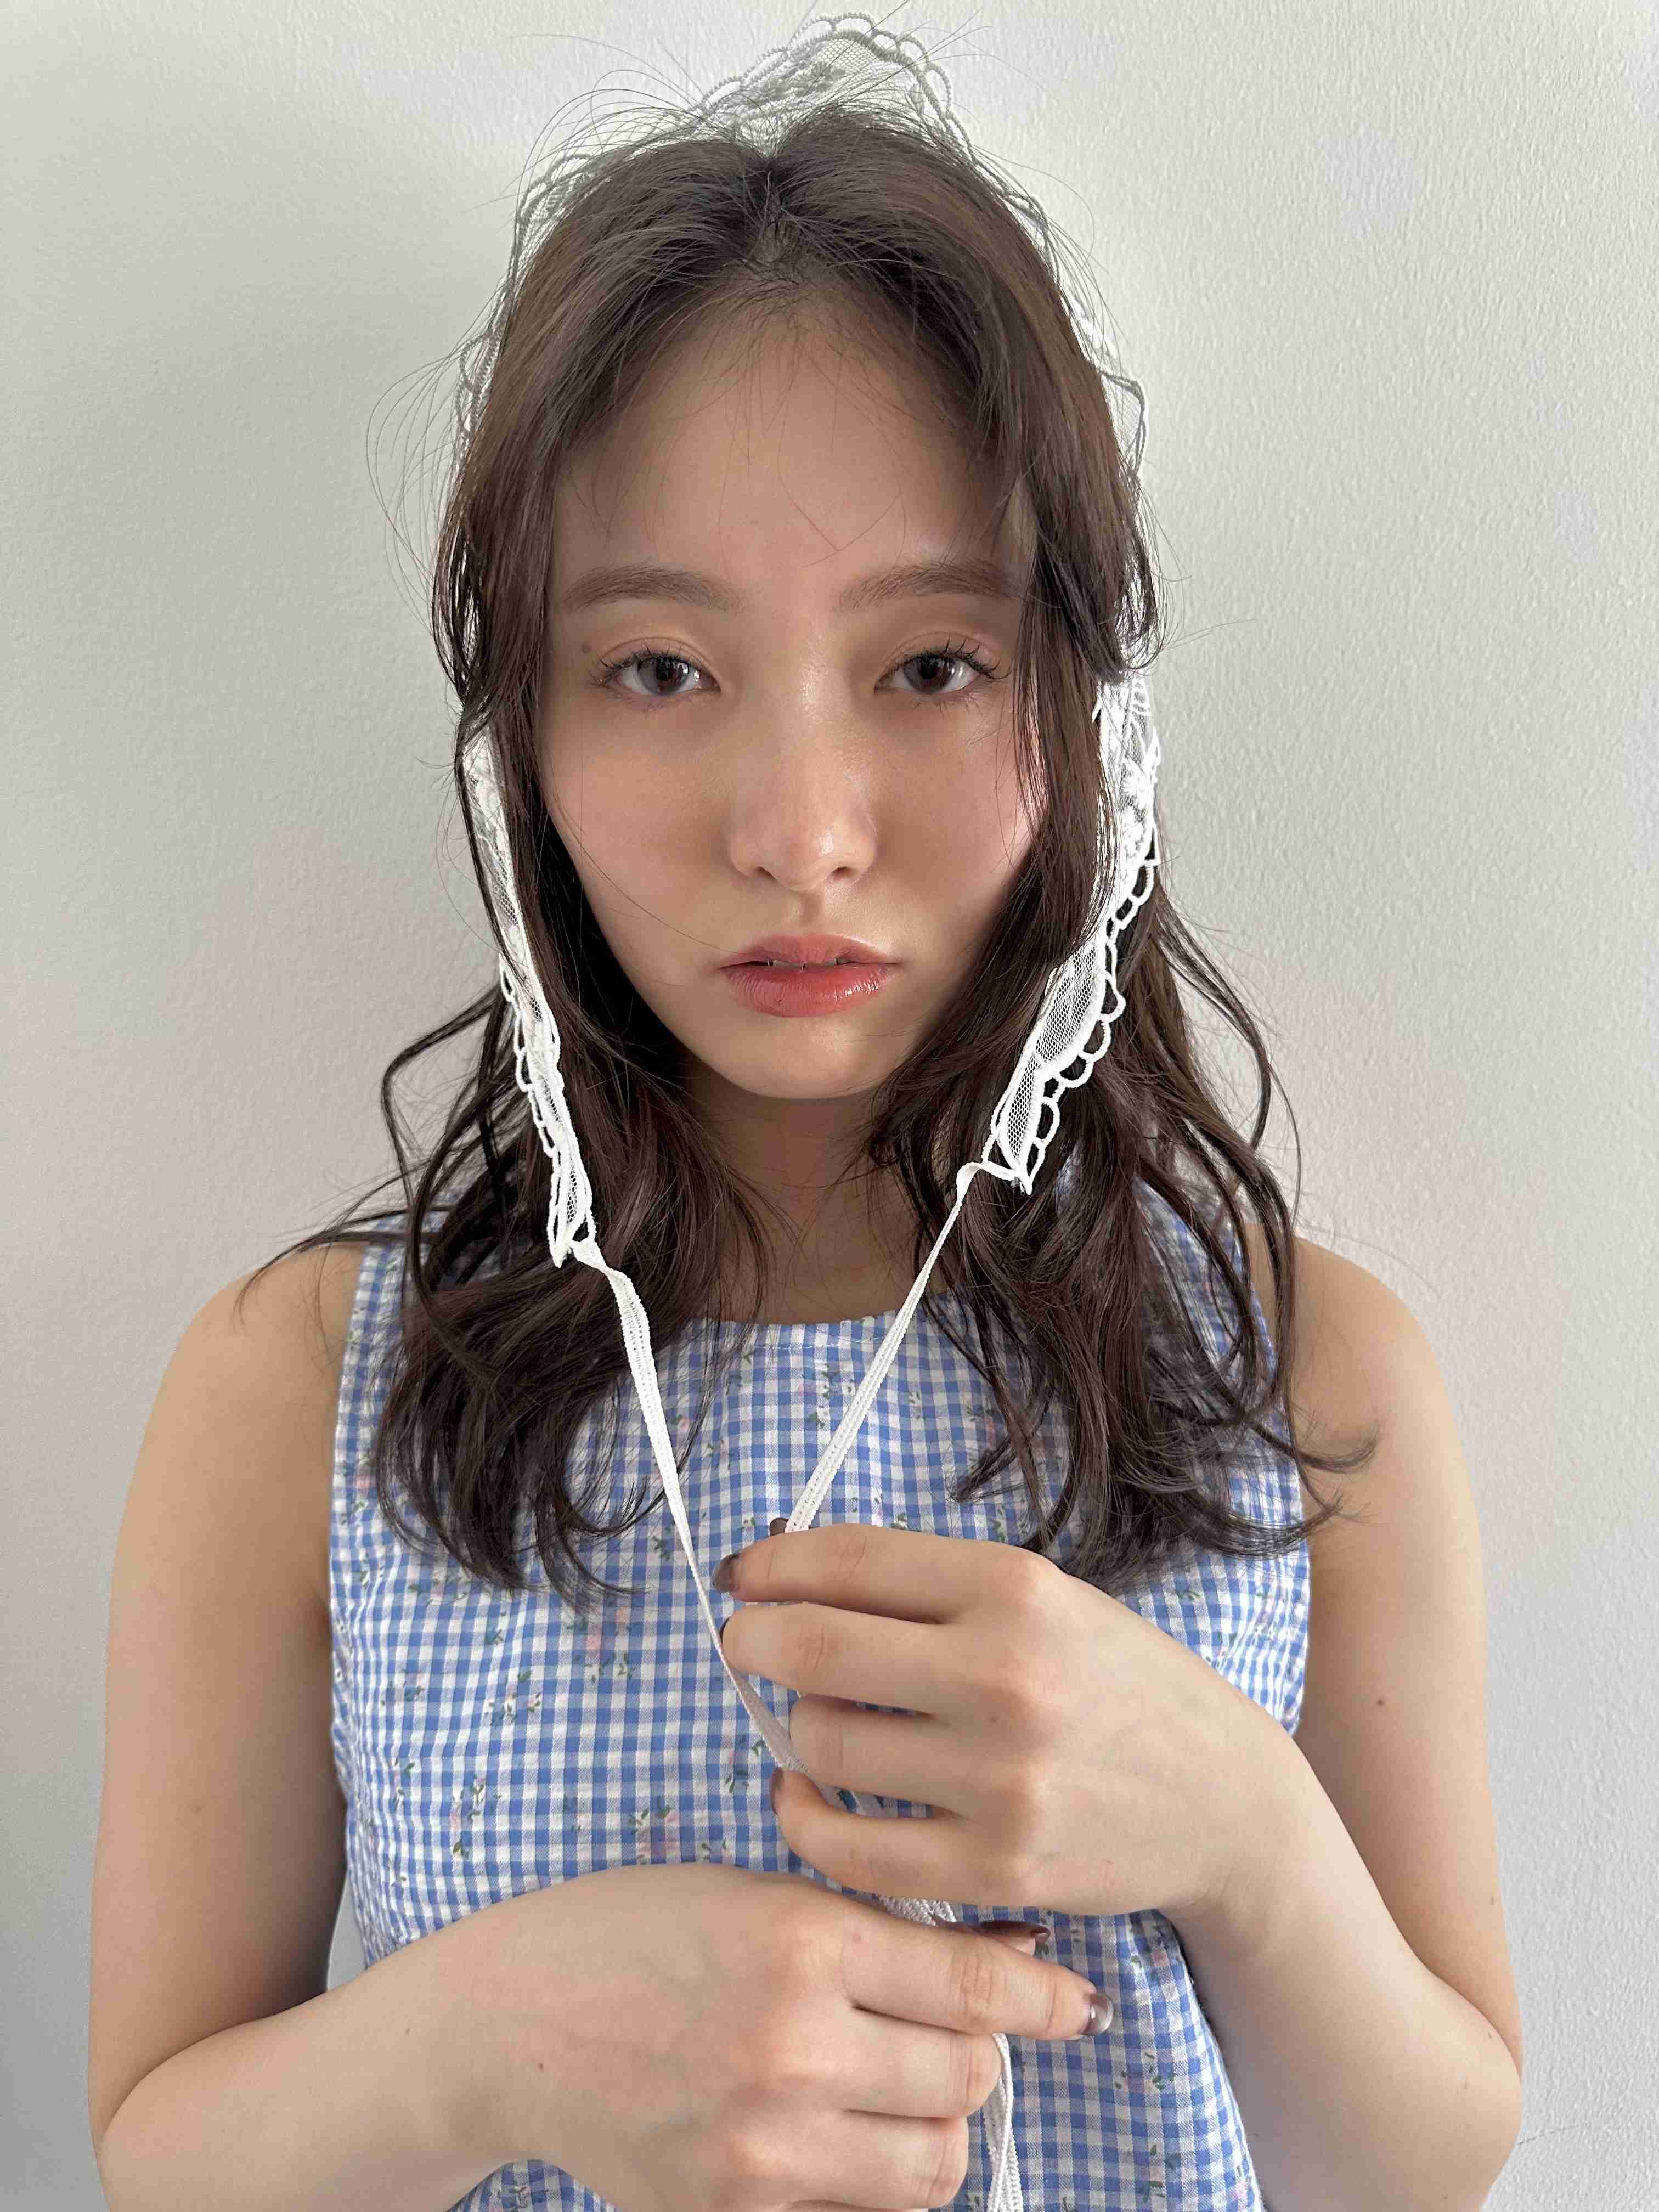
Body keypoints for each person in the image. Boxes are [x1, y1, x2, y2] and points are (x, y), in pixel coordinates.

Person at [88, 22, 1523, 2212]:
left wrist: (1242, 1837)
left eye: (930, 665)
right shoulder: (302, 1388)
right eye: (660, 671)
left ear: (1084, 714)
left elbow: (1419, 2166)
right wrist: (485, 2047)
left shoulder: (1306, 1371)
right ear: (517, 746)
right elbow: (158, 2153)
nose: (801, 831)